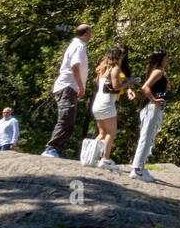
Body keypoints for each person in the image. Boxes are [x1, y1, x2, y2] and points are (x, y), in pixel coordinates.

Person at [42, 23, 91, 157]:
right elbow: (75, 66)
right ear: (86, 33)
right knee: (66, 118)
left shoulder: (77, 45)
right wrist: (80, 86)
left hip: (68, 87)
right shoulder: (79, 45)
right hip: (68, 86)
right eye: (90, 32)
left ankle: (57, 149)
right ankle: (51, 148)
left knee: (69, 119)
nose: (91, 35)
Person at [90, 46, 136, 170]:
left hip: (97, 103)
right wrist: (129, 82)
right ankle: (105, 159)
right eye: (122, 55)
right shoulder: (115, 69)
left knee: (101, 133)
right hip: (107, 104)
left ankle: (90, 156)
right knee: (111, 132)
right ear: (118, 56)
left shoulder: (102, 68)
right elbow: (115, 86)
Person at [128, 51, 168, 183]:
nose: (168, 60)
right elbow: (145, 87)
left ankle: (141, 167)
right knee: (146, 138)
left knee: (149, 138)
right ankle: (137, 169)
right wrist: (154, 100)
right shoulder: (158, 72)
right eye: (166, 58)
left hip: (154, 109)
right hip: (152, 108)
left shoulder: (159, 72)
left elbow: (162, 87)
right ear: (160, 59)